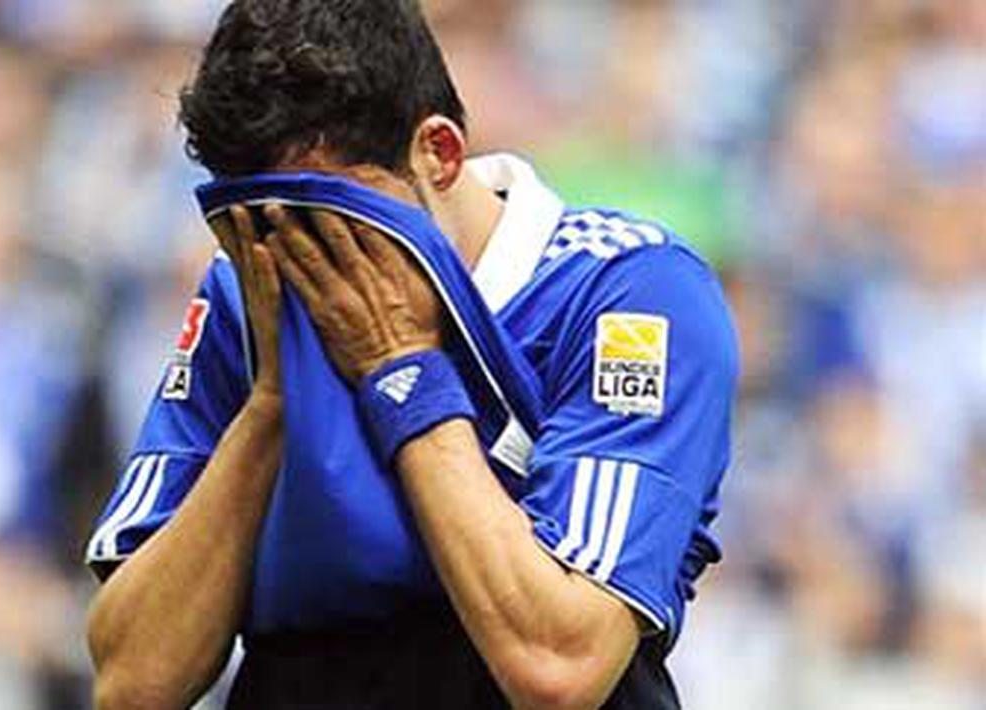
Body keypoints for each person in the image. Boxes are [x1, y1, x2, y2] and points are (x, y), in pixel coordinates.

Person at [84, 1, 738, 708]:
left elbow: (560, 667)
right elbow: (132, 685)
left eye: (334, 214)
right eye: (266, 218)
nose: (303, 250)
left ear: (439, 153)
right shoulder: (248, 291)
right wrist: (269, 408)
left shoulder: (626, 292)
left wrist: (402, 370)